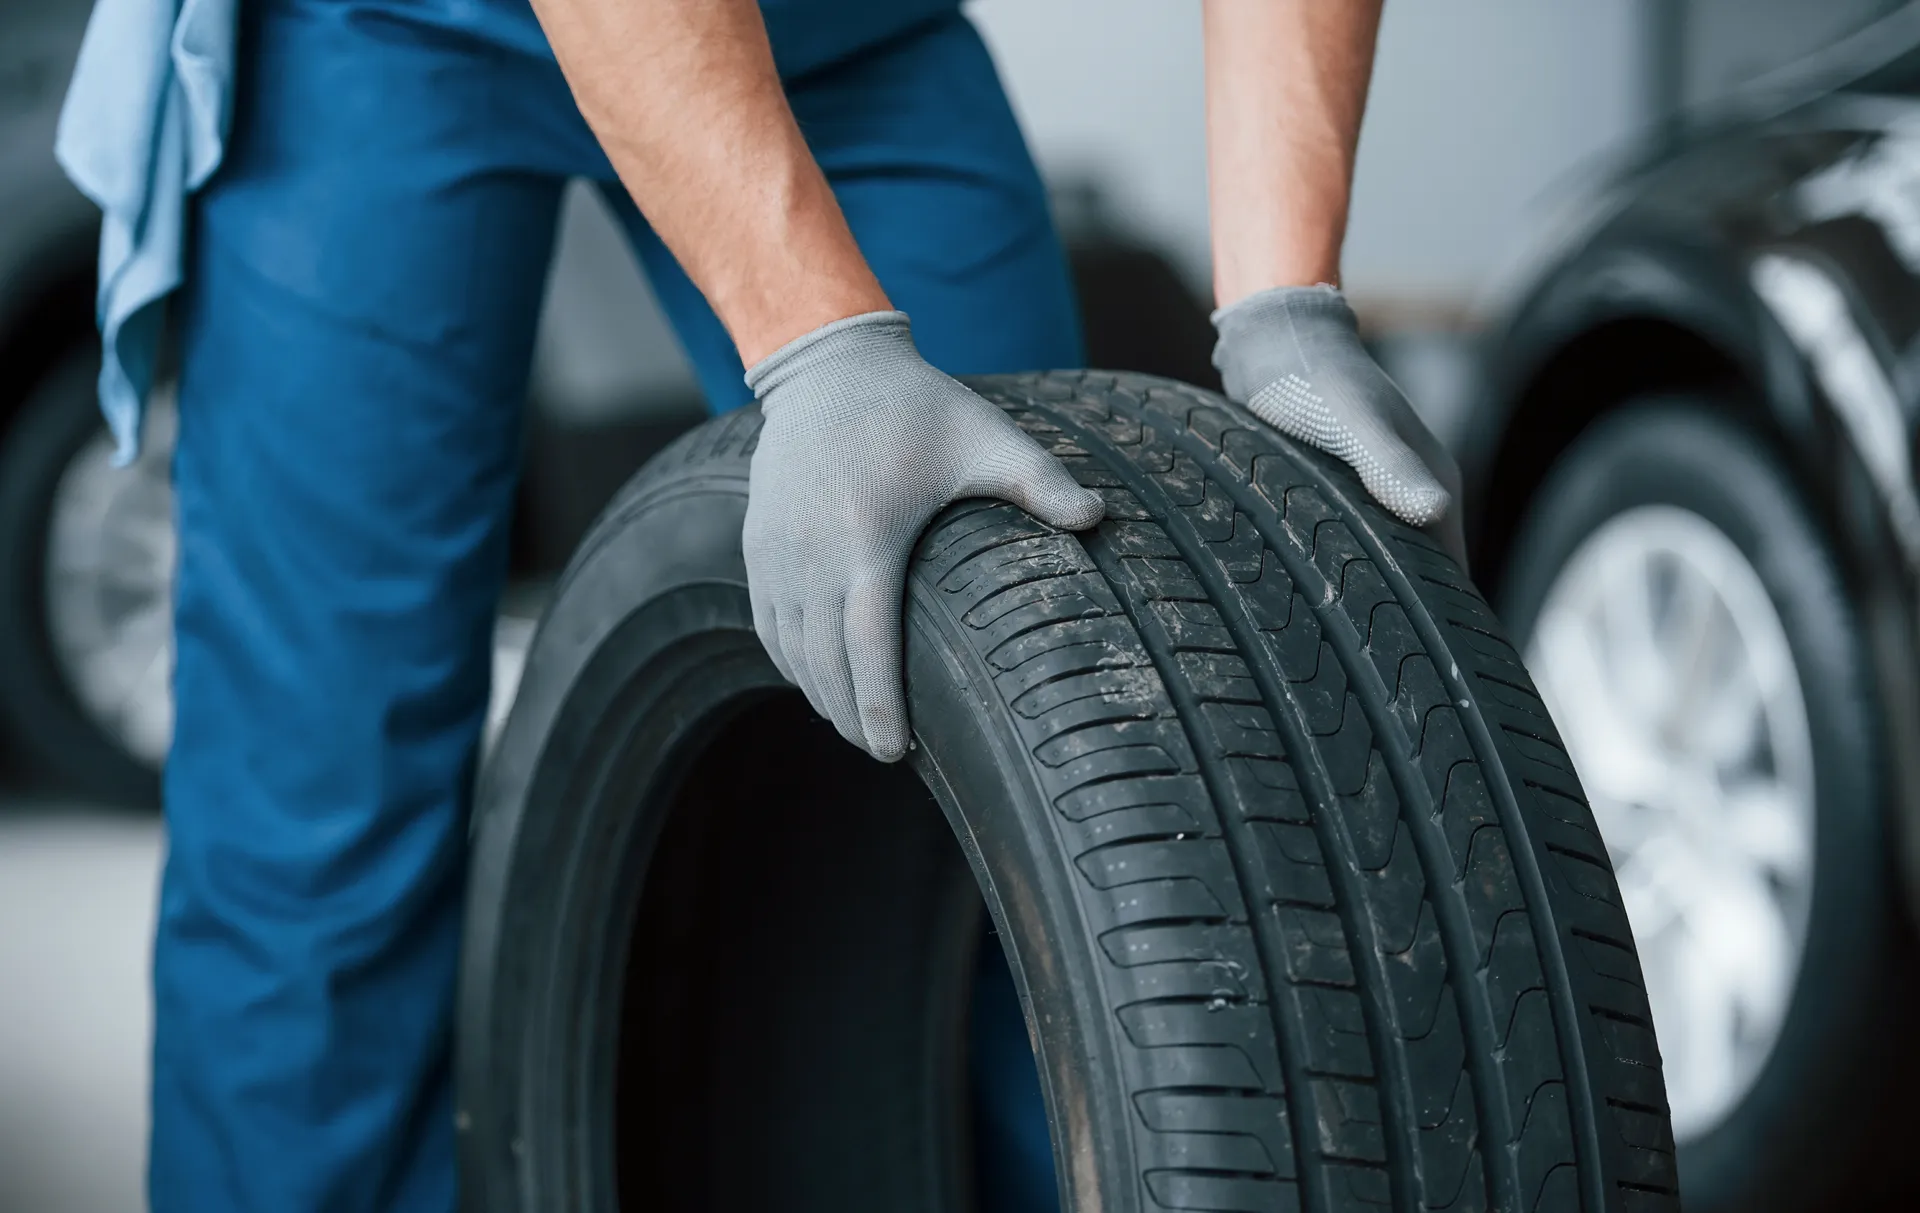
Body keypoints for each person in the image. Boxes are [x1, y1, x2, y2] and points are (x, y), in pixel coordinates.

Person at [56, 0, 1464, 1209]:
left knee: (1064, 725)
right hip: (372, 34)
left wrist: (1284, 298)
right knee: (315, 803)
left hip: (848, 28)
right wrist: (822, 343)